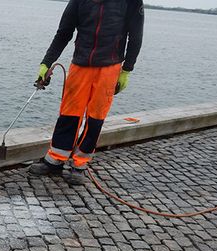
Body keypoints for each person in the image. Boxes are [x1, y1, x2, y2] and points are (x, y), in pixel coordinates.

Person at [30, 0, 144, 184]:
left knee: (95, 117)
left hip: (110, 67)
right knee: (68, 114)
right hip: (80, 64)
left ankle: (80, 163)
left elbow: (136, 35)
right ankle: (56, 159)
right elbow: (64, 32)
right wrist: (46, 62)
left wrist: (127, 69)